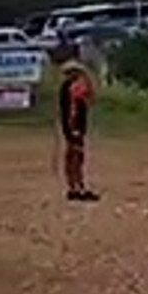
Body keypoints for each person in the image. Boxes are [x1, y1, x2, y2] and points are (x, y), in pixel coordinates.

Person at [56, 60, 99, 201]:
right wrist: (73, 128)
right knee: (76, 157)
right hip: (74, 126)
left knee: (74, 156)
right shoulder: (71, 87)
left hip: (73, 126)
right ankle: (77, 187)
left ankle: (75, 186)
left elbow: (90, 97)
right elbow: (73, 109)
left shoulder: (70, 86)